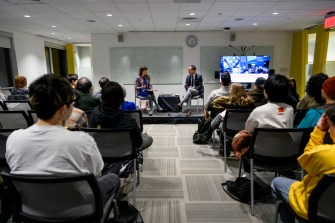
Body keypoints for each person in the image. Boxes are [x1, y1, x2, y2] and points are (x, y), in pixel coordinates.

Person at [5, 74, 120, 205]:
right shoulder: (83, 141)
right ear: (64, 109)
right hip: (78, 210)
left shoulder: (14, 139)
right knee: (112, 178)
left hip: (32, 209)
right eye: (72, 102)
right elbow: (97, 174)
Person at [271, 105, 335, 223]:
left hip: (314, 209)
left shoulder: (326, 154)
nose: (329, 130)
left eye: (330, 127)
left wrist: (319, 130)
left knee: (276, 182)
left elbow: (305, 161)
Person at [89, 81, 153, 151]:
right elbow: (138, 143)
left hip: (102, 150)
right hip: (124, 151)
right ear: (121, 99)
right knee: (148, 138)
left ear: (102, 97)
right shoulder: (129, 121)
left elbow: (92, 135)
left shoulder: (95, 113)